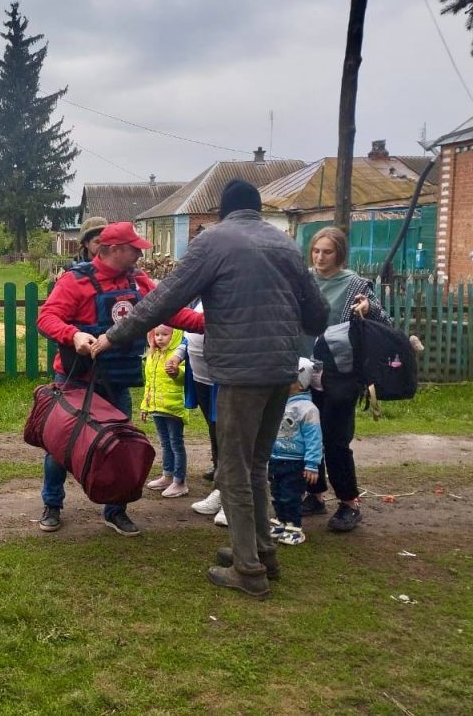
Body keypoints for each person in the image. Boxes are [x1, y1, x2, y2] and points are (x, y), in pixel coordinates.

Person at [91, 180, 327, 598]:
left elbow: (163, 299)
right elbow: (317, 316)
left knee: (234, 470)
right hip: (280, 372)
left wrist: (112, 336)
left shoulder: (213, 241)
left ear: (222, 211)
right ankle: (260, 552)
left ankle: (248, 571)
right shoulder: (286, 244)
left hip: (240, 373)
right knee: (255, 466)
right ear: (258, 210)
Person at [36, 221, 204, 536]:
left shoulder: (139, 282)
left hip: (116, 380)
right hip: (76, 380)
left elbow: (168, 312)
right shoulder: (75, 281)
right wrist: (73, 335)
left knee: (118, 448)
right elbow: (46, 317)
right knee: (61, 446)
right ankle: (52, 505)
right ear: (113, 249)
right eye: (134, 249)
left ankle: (115, 512)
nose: (140, 254)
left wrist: (208, 323)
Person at [301, 226, 391, 533]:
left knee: (335, 440)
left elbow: (384, 321)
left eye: (327, 252)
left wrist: (368, 308)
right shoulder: (304, 280)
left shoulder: (355, 284)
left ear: (339, 254)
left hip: (341, 372)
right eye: (316, 251)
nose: (320, 257)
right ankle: (314, 494)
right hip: (305, 369)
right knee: (306, 435)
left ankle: (349, 503)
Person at [167, 300, 225, 524]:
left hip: (227, 379)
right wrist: (179, 354)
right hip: (202, 380)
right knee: (215, 432)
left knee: (230, 437)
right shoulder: (200, 297)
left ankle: (232, 499)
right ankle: (221, 489)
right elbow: (188, 334)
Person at [269, 358, 322, 546]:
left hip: (295, 461)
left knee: (291, 495)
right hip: (276, 458)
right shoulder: (278, 404)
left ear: (300, 384)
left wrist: (312, 464)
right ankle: (281, 520)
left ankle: (294, 526)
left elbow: (314, 438)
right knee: (276, 492)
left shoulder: (308, 409)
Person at [141, 325, 190, 498]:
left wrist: (176, 372)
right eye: (157, 335)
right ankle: (167, 475)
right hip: (156, 408)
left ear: (175, 335)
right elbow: (149, 383)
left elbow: (184, 379)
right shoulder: (152, 356)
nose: (160, 338)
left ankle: (180, 481)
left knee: (176, 444)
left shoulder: (178, 356)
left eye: (165, 334)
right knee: (164, 443)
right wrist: (145, 406)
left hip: (173, 408)